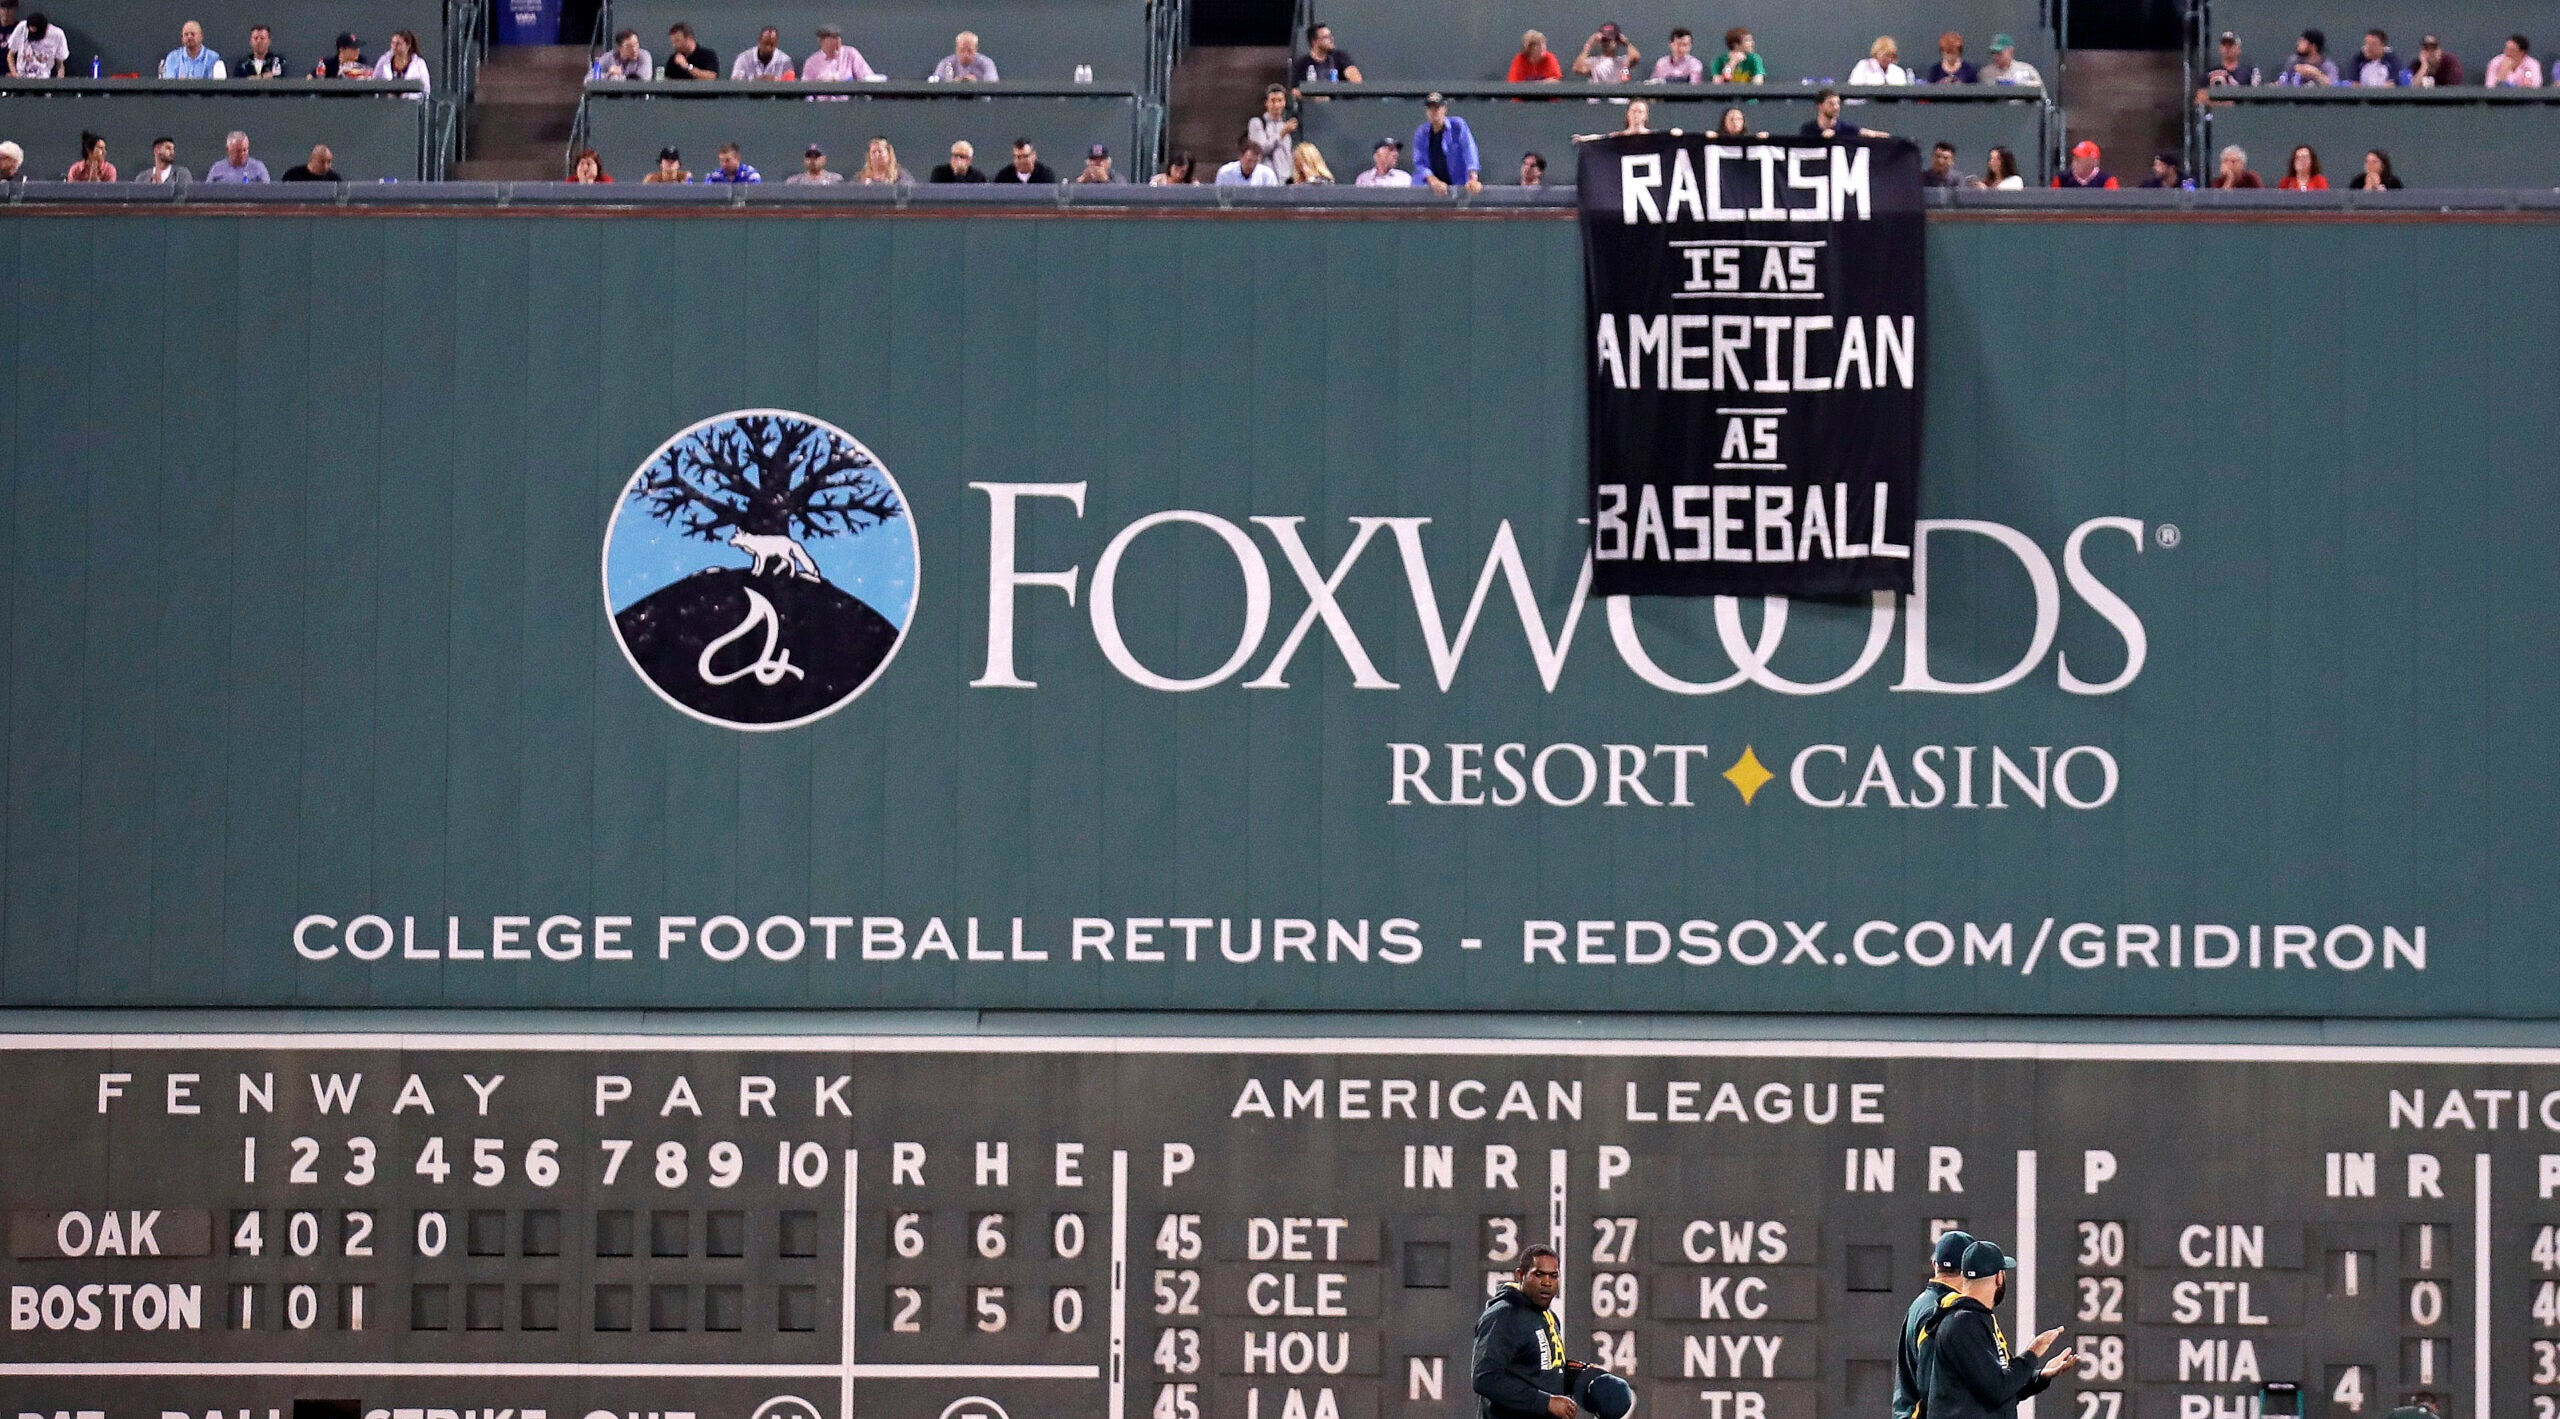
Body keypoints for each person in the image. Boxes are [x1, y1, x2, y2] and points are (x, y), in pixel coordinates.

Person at [1473, 1245, 1638, 1419]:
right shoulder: (1503, 1316)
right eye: (1539, 1274)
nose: (1547, 1282)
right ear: (1521, 1275)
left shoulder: (1547, 1316)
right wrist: (1545, 1401)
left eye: (1553, 1276)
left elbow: (1541, 1369)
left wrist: (1580, 1373)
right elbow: (1485, 1378)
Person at [1918, 1239, 2072, 1419]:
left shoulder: (1973, 1319)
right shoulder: (1963, 1323)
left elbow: (2000, 1390)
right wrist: (2032, 1354)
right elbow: (1998, 1389)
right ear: (1999, 1277)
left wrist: (2041, 1377)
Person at [1893, 1232, 1975, 1419]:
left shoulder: (1922, 1304)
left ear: (1934, 1264)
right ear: (1969, 1269)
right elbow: (1936, 1393)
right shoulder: (1943, 1312)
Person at [1411, 92, 1481, 193]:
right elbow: (1420, 163)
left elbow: (1469, 151)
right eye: (1430, 108)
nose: (1434, 111)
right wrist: (1433, 181)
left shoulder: (1458, 125)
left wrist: (1473, 178)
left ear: (1445, 109)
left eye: (1437, 107)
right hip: (1430, 188)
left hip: (1458, 184)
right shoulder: (1421, 133)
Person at [1801, 88, 1888, 138]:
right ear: (1820, 106)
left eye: (1838, 103)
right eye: (1831, 104)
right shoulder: (1808, 129)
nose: (1836, 107)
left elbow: (1871, 134)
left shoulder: (1846, 128)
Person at [1248, 84, 1297, 173]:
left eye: (1280, 100)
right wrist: (1282, 133)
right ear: (1266, 103)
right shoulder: (1257, 123)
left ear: (1284, 102)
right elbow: (1260, 150)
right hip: (1265, 180)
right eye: (1273, 101)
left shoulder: (1286, 125)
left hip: (1285, 180)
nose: (1277, 105)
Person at [802, 25, 873, 82]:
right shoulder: (812, 62)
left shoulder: (851, 53)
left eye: (838, 39)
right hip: (823, 99)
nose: (837, 43)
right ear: (821, 41)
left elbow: (867, 77)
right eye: (832, 40)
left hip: (847, 99)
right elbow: (806, 90)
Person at [5, 11, 65, 76]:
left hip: (43, 80)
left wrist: (58, 83)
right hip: (21, 77)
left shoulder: (57, 34)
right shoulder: (22, 27)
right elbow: (10, 55)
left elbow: (60, 65)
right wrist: (15, 74)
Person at [1573, 24, 1639, 82]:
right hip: (1598, 95)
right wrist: (1589, 44)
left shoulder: (1622, 61)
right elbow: (1577, 68)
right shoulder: (1594, 62)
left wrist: (1626, 43)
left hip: (1618, 95)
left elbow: (1635, 57)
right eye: (1605, 40)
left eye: (1612, 39)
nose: (1608, 43)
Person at [162, 20, 227, 78]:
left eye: (192, 34)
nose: (189, 37)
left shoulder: (213, 58)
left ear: (201, 36)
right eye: (186, 34)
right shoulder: (172, 58)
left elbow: (214, 86)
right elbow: (169, 85)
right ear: (182, 38)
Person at [374, 29, 429, 96]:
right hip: (388, 103)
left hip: (411, 103)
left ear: (408, 45)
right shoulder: (383, 60)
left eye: (398, 44)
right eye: (393, 43)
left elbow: (426, 88)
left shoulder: (419, 64)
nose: (394, 47)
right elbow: (375, 81)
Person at [204, 130, 270, 182]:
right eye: (238, 151)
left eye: (244, 150)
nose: (242, 154)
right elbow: (207, 193)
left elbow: (267, 192)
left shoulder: (258, 168)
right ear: (228, 150)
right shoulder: (217, 168)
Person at [1214, 134, 1281, 186]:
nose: (1252, 165)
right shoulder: (1225, 173)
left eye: (1255, 162)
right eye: (1249, 161)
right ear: (1240, 157)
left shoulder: (1267, 174)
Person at [931, 30, 996, 81]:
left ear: (976, 49)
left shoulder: (987, 63)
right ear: (956, 48)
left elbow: (993, 85)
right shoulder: (946, 63)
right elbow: (934, 85)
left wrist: (977, 84)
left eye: (969, 51)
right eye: (962, 50)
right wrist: (952, 84)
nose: (965, 54)